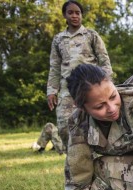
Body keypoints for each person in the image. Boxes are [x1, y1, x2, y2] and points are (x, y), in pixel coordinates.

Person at [47, 0, 112, 153]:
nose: (75, 16)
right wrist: (51, 90)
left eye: (78, 12)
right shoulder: (58, 39)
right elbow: (55, 67)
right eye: (71, 12)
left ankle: (98, 153)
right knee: (63, 125)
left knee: (94, 121)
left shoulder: (91, 35)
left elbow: (104, 60)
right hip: (67, 88)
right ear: (65, 15)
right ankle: (73, 155)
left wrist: (107, 84)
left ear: (82, 15)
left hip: (90, 85)